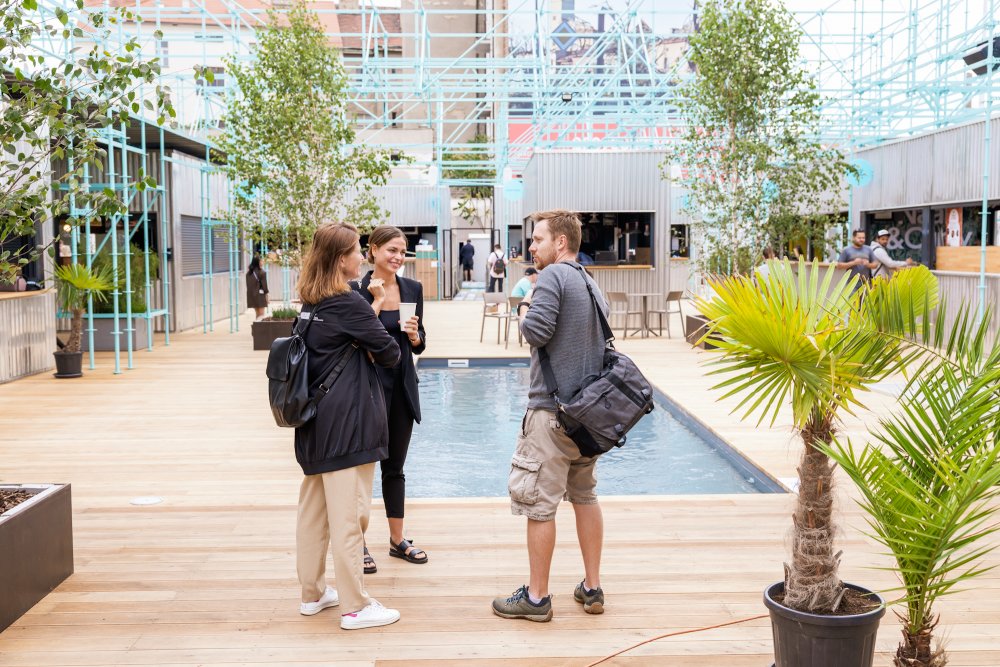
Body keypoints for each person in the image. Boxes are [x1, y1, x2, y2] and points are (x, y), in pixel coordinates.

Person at [491, 209, 609, 623]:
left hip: (552, 414)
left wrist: (524, 308)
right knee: (585, 495)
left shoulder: (554, 277)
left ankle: (537, 598)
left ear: (561, 243)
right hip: (588, 417)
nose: (531, 248)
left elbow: (536, 332)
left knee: (540, 505)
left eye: (538, 240)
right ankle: (592, 587)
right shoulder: (593, 285)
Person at [292, 223, 402, 630]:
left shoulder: (311, 302)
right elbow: (389, 351)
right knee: (349, 516)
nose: (361, 257)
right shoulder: (348, 303)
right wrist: (374, 305)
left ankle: (314, 592)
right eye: (357, 251)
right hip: (348, 425)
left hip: (315, 422)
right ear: (341, 260)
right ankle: (355, 606)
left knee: (313, 512)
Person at [353, 225, 429, 573]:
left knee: (395, 467)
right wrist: (376, 303)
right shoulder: (356, 289)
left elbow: (420, 342)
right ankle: (359, 543)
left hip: (401, 385)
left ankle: (398, 540)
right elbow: (356, 341)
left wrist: (414, 337)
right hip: (368, 387)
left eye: (403, 250)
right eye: (391, 250)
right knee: (363, 469)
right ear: (373, 250)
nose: (398, 257)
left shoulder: (413, 288)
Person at [246, 253, 269, 319]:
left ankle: (256, 328)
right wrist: (267, 296)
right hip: (260, 296)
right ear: (257, 262)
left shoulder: (248, 273)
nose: (263, 262)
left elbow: (248, 285)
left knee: (257, 315)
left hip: (251, 296)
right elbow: (265, 287)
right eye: (261, 261)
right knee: (261, 315)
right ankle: (259, 329)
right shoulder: (262, 272)